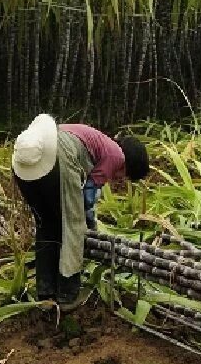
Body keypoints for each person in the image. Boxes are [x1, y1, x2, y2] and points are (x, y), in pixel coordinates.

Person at [11, 115, 150, 308]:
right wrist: (90, 226)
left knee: (47, 225)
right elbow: (87, 196)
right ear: (128, 166)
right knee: (73, 227)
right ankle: (68, 294)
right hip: (60, 157)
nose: (119, 179)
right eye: (125, 177)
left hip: (25, 165)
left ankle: (45, 290)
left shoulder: (96, 141)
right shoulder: (116, 155)